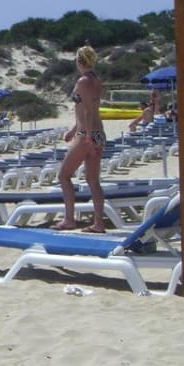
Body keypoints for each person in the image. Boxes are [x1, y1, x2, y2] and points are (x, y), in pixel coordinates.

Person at [54, 45, 106, 232]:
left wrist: (87, 136)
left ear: (79, 61)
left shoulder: (82, 82)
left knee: (64, 175)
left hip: (87, 134)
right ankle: (99, 223)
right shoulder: (96, 81)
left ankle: (69, 219)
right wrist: (73, 129)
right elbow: (87, 109)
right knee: (93, 180)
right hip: (97, 133)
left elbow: (89, 111)